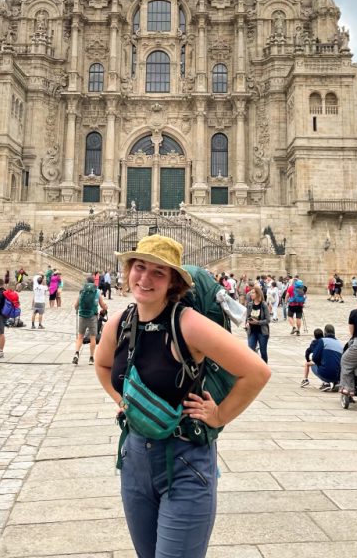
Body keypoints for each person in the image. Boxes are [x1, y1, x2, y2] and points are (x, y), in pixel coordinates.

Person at [94, 235, 271, 558]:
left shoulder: (188, 324)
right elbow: (103, 364)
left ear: (173, 282)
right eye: (139, 267)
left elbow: (257, 372)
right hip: (134, 461)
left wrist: (218, 416)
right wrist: (123, 401)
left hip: (185, 460)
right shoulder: (120, 323)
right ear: (128, 270)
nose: (145, 278)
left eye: (158, 272)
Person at [72, 275, 107, 365]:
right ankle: (91, 358)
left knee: (80, 337)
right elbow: (103, 305)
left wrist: (77, 309)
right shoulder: (97, 292)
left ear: (86, 282)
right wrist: (105, 307)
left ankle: (76, 353)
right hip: (93, 317)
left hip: (82, 316)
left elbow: (76, 305)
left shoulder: (82, 291)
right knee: (93, 338)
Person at [305, 324, 343, 391]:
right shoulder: (340, 344)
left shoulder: (322, 341)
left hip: (325, 373)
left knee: (312, 365)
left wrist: (319, 364)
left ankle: (326, 383)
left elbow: (315, 357)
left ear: (325, 332)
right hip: (337, 376)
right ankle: (336, 383)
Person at [245, 283, 271, 363]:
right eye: (251, 292)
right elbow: (247, 317)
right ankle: (253, 368)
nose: (251, 294)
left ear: (258, 294)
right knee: (250, 351)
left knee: (263, 352)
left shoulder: (263, 305)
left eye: (253, 292)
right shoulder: (249, 305)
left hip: (262, 332)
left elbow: (268, 320)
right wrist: (247, 323)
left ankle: (264, 368)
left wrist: (258, 322)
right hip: (252, 331)